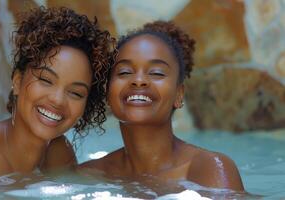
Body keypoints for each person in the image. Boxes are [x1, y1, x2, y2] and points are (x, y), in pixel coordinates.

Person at [0, 6, 114, 188]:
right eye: (45, 80)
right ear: (17, 81)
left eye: (75, 93)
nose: (57, 100)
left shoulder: (57, 152)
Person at [80, 21, 244, 192]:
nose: (139, 80)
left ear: (179, 94)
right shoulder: (90, 175)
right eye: (125, 72)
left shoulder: (206, 170)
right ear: (107, 92)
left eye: (156, 73)